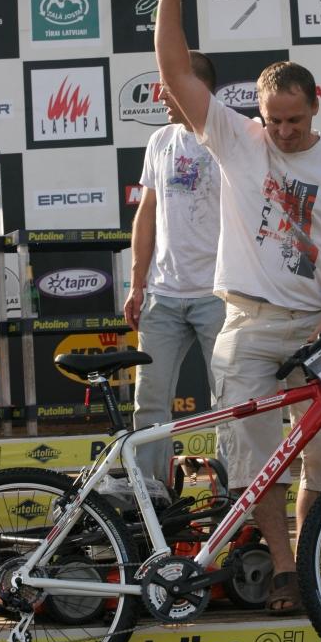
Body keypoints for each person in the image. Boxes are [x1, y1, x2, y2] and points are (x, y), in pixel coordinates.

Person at [155, 0, 321, 614]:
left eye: (295, 119)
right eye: (272, 119)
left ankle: (309, 564)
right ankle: (285, 572)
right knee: (254, 462)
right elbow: (175, 72)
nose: (283, 131)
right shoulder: (236, 139)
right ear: (257, 112)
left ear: (316, 107)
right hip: (248, 322)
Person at [124, 50, 225, 483]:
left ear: (193, 86)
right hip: (163, 297)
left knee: (231, 404)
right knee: (148, 404)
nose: (161, 96)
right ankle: (152, 496)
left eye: (168, 87)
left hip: (220, 295)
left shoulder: (231, 136)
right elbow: (146, 214)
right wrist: (137, 283)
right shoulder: (160, 140)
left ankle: (232, 499)